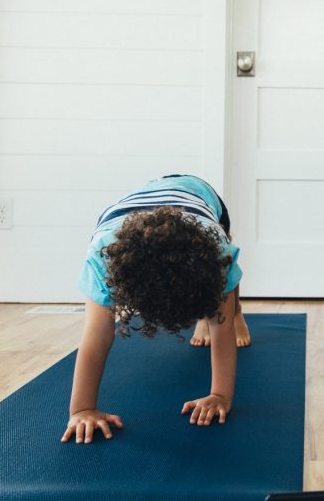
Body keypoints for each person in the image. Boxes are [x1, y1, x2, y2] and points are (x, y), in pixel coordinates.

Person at [61, 174, 250, 444]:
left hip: (201, 195)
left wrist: (220, 395)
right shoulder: (103, 260)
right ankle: (204, 315)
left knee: (224, 297)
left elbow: (222, 325)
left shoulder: (218, 251)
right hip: (127, 212)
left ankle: (238, 312)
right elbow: (97, 334)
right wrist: (82, 409)